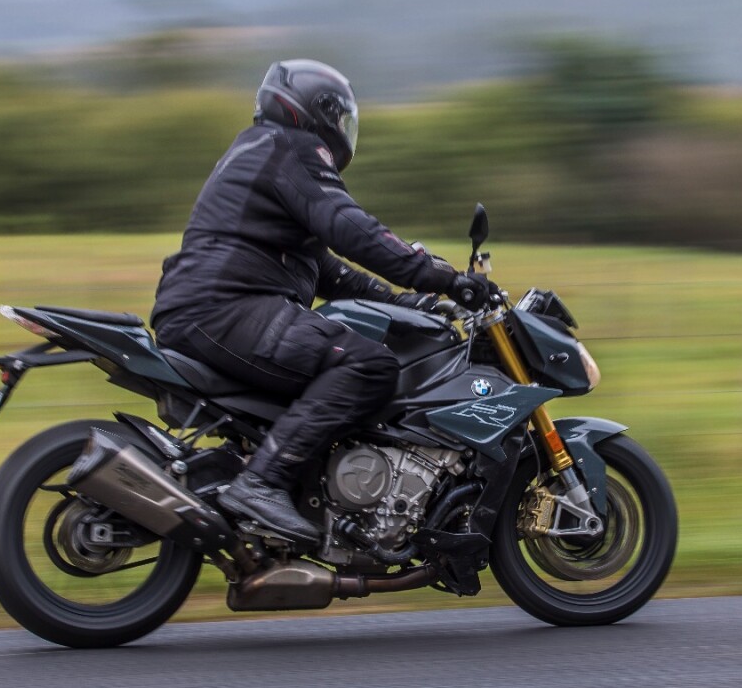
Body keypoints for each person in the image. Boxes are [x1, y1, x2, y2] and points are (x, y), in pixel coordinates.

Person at [150, 59, 492, 545]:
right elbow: (352, 229)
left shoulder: (262, 150)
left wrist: (412, 302)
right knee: (369, 364)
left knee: (349, 355)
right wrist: (444, 277)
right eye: (341, 118)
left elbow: (329, 270)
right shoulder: (293, 149)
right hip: (224, 309)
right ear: (321, 111)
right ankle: (261, 484)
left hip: (213, 307)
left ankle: (294, 488)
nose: (344, 131)